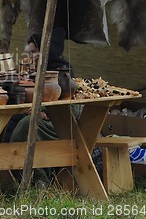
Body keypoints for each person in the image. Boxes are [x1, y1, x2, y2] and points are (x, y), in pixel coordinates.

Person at [6, 28, 102, 185]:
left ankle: (39, 181)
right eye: (29, 53)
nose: (31, 57)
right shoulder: (32, 72)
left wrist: (44, 111)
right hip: (38, 118)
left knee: (26, 126)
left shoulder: (62, 71)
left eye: (34, 52)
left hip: (62, 123)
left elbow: (72, 106)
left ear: (46, 51)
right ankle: (8, 174)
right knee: (11, 121)